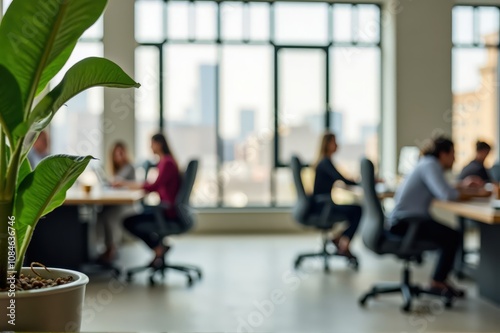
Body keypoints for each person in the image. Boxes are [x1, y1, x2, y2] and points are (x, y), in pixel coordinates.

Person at [389, 136, 486, 298]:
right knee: (452, 236)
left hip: (405, 220)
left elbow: (443, 188)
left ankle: (439, 279)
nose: (455, 159)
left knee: (449, 235)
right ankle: (438, 281)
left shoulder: (426, 163)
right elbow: (446, 194)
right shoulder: (430, 164)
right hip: (408, 223)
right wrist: (477, 194)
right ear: (443, 154)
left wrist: (463, 186)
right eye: (453, 154)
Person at [117, 133, 181, 268]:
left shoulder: (167, 162)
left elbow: (152, 186)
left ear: (159, 144)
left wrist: (125, 184)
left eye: (152, 143)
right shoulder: (165, 161)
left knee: (128, 222)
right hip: (165, 209)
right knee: (136, 217)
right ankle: (160, 247)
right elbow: (154, 186)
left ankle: (158, 248)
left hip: (167, 212)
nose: (150, 147)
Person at [312, 132, 362, 259]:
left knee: (354, 211)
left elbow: (339, 181)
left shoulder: (324, 162)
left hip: (322, 204)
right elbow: (342, 180)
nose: (337, 145)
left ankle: (339, 238)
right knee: (358, 210)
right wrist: (364, 182)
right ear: (327, 144)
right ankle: (343, 242)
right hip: (324, 206)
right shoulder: (325, 162)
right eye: (334, 142)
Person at [97, 141, 136, 264]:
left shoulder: (129, 167)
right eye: (116, 153)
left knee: (109, 215)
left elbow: (117, 182)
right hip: (119, 203)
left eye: (121, 153)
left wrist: (113, 183)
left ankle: (112, 248)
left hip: (128, 206)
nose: (119, 156)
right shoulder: (116, 169)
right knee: (102, 212)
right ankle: (107, 247)